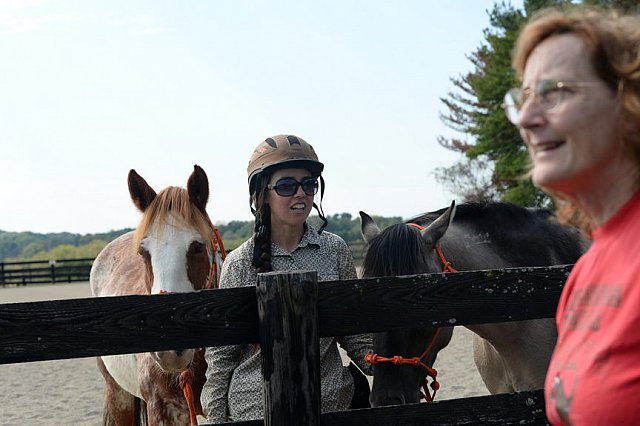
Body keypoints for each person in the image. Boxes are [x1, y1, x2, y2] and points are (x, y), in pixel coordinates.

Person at [504, 6, 640, 425]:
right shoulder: (586, 270)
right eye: (524, 98)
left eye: (554, 92)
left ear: (628, 100)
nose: (526, 119)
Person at [200, 134, 372, 423]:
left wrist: (390, 363)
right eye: (287, 185)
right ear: (262, 194)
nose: (301, 193)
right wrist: (217, 419)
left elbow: (354, 334)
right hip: (255, 410)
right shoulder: (240, 263)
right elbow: (221, 357)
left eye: (308, 184)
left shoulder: (335, 250)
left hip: (331, 405)